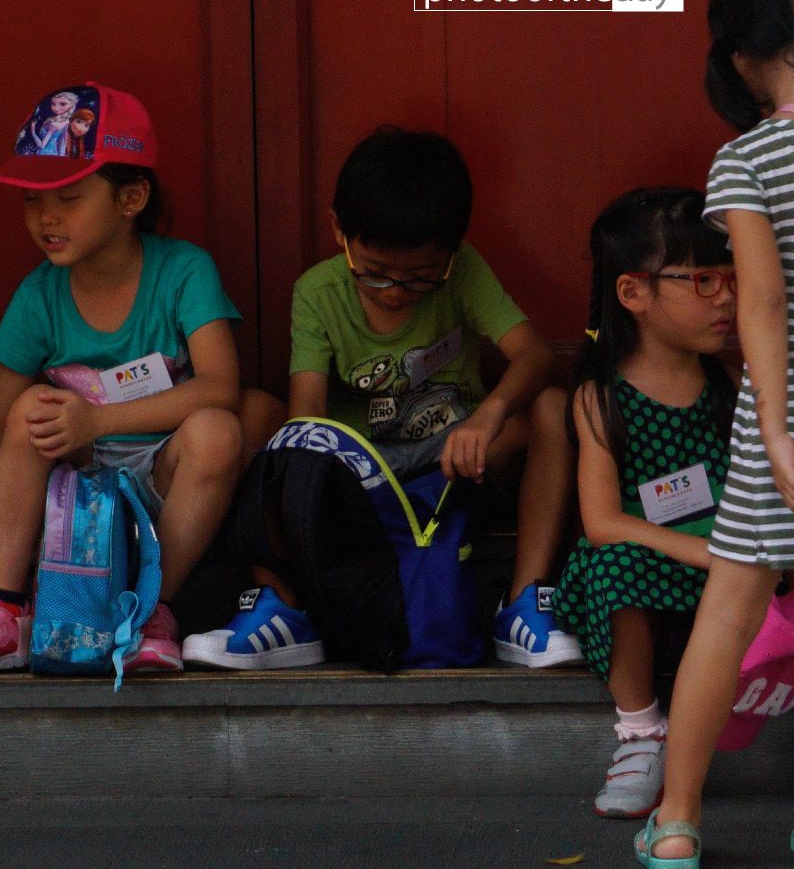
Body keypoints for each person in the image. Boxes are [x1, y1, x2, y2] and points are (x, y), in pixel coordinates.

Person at [183, 127, 576, 671]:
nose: (393, 290)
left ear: (451, 253)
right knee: (259, 418)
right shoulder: (318, 292)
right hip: (356, 479)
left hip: (456, 461)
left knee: (553, 408)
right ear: (339, 232)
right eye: (373, 272)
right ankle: (284, 606)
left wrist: (489, 416)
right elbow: (306, 418)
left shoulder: (464, 272)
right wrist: (337, 478)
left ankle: (524, 603)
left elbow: (534, 355)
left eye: (419, 279)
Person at [0, 81, 244, 678]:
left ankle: (146, 613)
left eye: (66, 198)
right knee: (24, 410)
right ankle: (5, 611)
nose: (45, 218)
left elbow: (221, 385)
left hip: (159, 481)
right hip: (71, 495)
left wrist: (99, 418)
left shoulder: (182, 271)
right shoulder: (39, 295)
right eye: (31, 201)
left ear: (132, 197)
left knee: (220, 429)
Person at [636, 0, 794, 869]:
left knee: (727, 614)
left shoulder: (744, 159)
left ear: (740, 57)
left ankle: (678, 820)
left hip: (784, 412)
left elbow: (765, 302)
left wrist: (776, 426)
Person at [554, 188, 737, 820]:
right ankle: (641, 732)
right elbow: (602, 523)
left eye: (732, 279)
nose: (727, 299)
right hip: (654, 556)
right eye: (704, 281)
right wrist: (700, 550)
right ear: (634, 294)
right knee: (614, 570)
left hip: (728, 561)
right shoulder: (600, 398)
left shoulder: (725, 382)